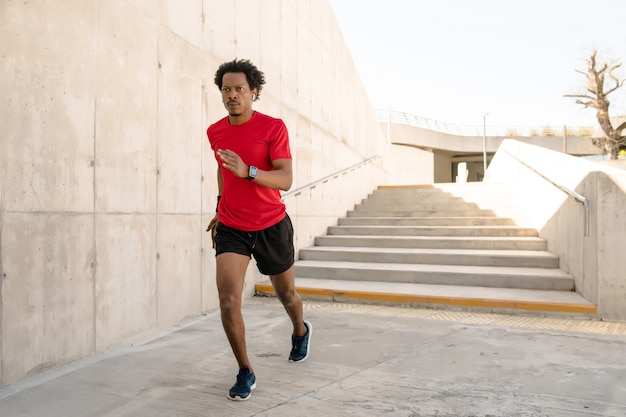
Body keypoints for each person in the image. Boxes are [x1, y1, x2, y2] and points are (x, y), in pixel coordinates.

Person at [205, 58, 311, 402]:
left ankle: (300, 329)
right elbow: (223, 170)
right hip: (233, 225)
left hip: (271, 224)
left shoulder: (273, 127)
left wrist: (248, 171)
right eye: (226, 89)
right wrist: (220, 207)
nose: (232, 95)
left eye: (239, 89)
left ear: (254, 92)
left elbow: (285, 178)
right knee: (227, 300)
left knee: (286, 294)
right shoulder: (216, 131)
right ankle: (245, 370)